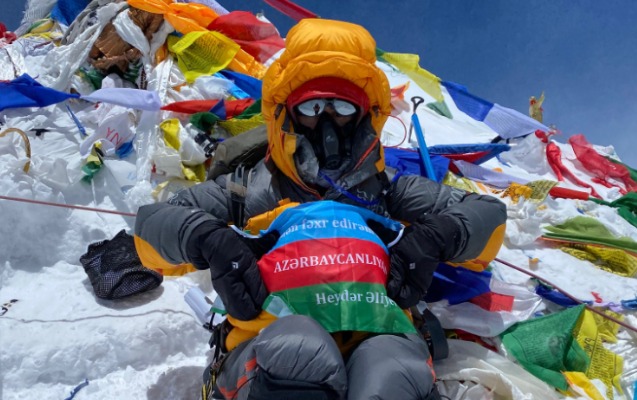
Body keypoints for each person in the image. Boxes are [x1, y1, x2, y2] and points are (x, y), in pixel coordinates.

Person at [133, 18, 507, 400]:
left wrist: (436, 237)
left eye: (342, 106)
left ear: (364, 116)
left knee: (394, 372)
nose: (327, 121)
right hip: (269, 341)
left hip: (379, 333)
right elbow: (154, 222)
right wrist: (205, 239)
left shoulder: (387, 188)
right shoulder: (249, 187)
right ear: (287, 113)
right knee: (298, 350)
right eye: (311, 106)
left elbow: (486, 213)